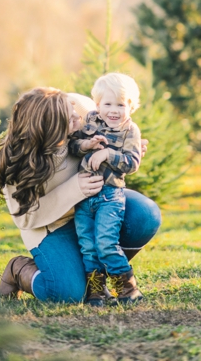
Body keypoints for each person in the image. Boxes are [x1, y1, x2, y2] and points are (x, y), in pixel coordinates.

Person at [0, 87, 161, 304]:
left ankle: (99, 279)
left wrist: (127, 152)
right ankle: (18, 269)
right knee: (66, 294)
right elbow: (24, 218)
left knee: (143, 214)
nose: (77, 116)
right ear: (49, 126)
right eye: (68, 116)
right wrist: (75, 189)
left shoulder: (79, 107)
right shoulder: (18, 160)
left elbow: (118, 126)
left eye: (72, 108)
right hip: (51, 226)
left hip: (96, 205)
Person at [69, 73, 143, 306]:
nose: (113, 110)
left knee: (105, 242)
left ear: (130, 106)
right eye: (107, 104)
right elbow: (73, 146)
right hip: (84, 197)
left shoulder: (130, 130)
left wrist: (107, 154)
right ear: (97, 104)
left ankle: (128, 289)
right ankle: (96, 292)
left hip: (110, 196)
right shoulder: (90, 120)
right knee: (88, 246)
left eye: (121, 105)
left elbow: (132, 163)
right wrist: (86, 145)